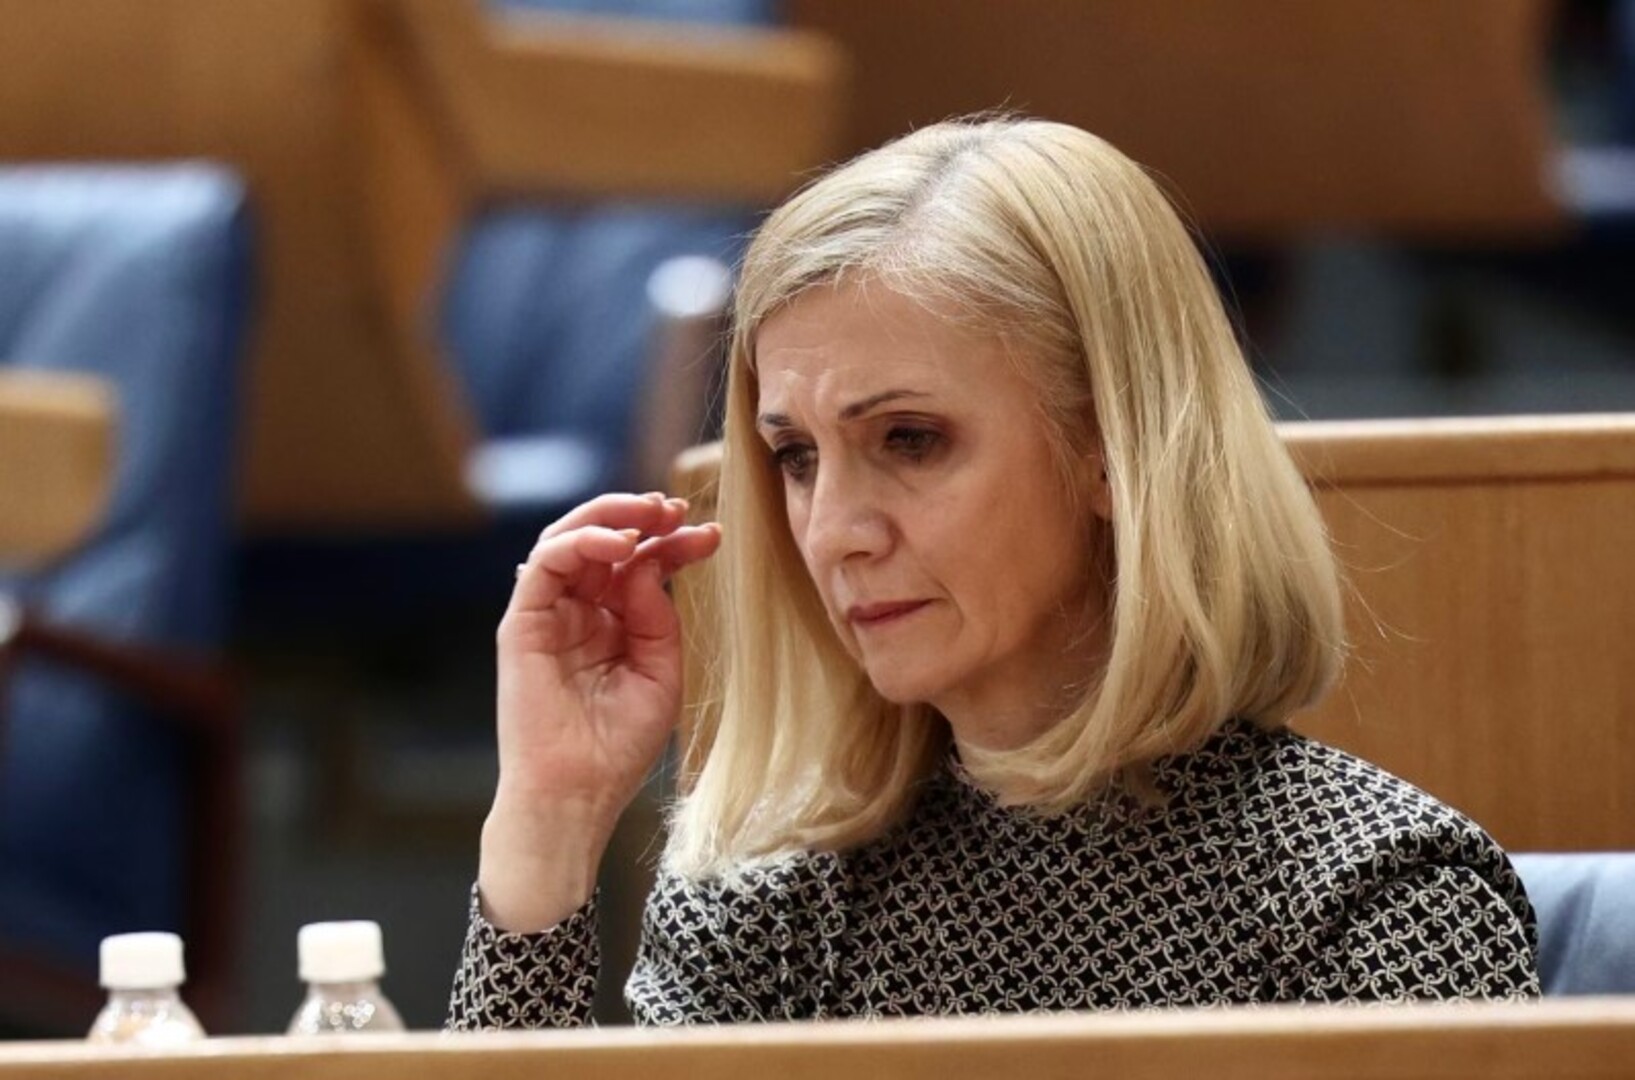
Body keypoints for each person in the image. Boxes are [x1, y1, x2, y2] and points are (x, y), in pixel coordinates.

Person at [448, 116, 1539, 1028]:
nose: (832, 532)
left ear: (1112, 449)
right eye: (796, 457)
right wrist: (550, 820)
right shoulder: (769, 900)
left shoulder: (1375, 900)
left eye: (910, 440)